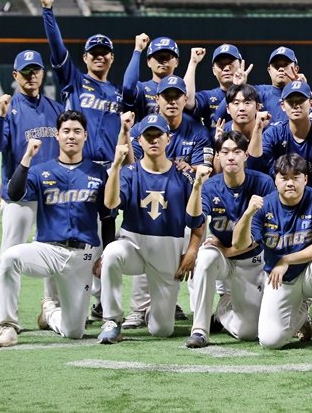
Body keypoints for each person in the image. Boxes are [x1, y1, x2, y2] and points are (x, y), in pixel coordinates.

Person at [0, 110, 111, 348]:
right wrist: (27, 158)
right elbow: (14, 193)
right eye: (66, 131)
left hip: (83, 256)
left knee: (74, 331)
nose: (71, 136)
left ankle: (50, 314)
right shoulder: (40, 170)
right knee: (9, 258)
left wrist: (105, 254)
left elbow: (107, 217)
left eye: (77, 131)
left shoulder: (98, 173)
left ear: (85, 136)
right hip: (48, 250)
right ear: (57, 136)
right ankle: (8, 326)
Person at [97, 114, 206, 343]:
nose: (154, 140)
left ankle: (151, 312)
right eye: (148, 136)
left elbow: (198, 221)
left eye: (159, 135)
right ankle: (112, 320)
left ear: (169, 138)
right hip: (133, 244)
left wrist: (192, 250)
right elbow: (110, 203)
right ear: (139, 140)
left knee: (162, 330)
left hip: (168, 248)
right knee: (112, 254)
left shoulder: (184, 176)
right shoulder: (129, 172)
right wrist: (115, 166)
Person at [231, 153, 312, 356]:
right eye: (284, 177)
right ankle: (301, 314)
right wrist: (247, 214)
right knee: (269, 340)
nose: (290, 183)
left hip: (309, 272)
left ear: (305, 179)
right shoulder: (264, 205)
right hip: (280, 278)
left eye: (295, 177)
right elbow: (239, 244)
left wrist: (286, 259)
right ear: (275, 180)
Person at [124, 75, 211, 328]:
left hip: (184, 203)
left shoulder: (197, 131)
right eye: (166, 96)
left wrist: (187, 170)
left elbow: (202, 171)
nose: (172, 101)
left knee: (191, 254)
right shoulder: (143, 128)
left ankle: (189, 311)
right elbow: (135, 167)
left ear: (185, 99)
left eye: (177, 96)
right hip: (150, 200)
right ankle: (140, 308)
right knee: (144, 232)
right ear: (157, 99)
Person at [185, 132, 274, 348]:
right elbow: (193, 220)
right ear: (218, 156)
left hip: (252, 261)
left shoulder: (263, 183)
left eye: (236, 151)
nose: (231, 157)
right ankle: (199, 330)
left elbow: (263, 235)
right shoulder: (211, 186)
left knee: (248, 332)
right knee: (205, 257)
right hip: (222, 257)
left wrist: (227, 250)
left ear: (246, 155)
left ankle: (222, 310)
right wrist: (197, 186)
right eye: (225, 152)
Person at [0, 50, 63, 254]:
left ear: (43, 73)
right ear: (15, 75)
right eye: (26, 71)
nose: (31, 75)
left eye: (35, 70)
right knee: (10, 255)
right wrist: (1, 116)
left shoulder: (56, 109)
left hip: (51, 195)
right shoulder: (7, 111)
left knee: (51, 256)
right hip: (19, 196)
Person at [38, 0, 122, 165]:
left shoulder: (118, 93)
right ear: (85, 57)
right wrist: (47, 10)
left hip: (111, 168)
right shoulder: (74, 80)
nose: (99, 56)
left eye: (104, 52)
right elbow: (57, 47)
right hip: (79, 166)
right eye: (94, 53)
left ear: (112, 58)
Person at [249, 80, 312, 209]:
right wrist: (257, 128)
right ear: (282, 105)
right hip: (278, 201)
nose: (296, 105)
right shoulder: (274, 133)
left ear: (311, 103)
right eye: (291, 101)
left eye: (301, 100)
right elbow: (254, 165)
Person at [184, 43, 251, 135]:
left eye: (230, 63)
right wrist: (193, 62)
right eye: (221, 64)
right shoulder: (207, 97)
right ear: (213, 71)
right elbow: (187, 101)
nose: (226, 68)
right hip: (214, 143)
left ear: (240, 65)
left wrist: (237, 87)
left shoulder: (253, 95)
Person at [122, 34, 180, 119]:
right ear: (148, 62)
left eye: (167, 57)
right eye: (158, 57)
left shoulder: (182, 91)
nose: (163, 61)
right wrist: (138, 50)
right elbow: (128, 87)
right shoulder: (142, 89)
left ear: (176, 62)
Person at [258, 46, 301, 122]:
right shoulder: (258, 97)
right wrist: (237, 85)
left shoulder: (305, 99)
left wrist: (301, 88)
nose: (281, 69)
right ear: (269, 71)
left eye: (285, 65)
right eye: (276, 66)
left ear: (296, 69)